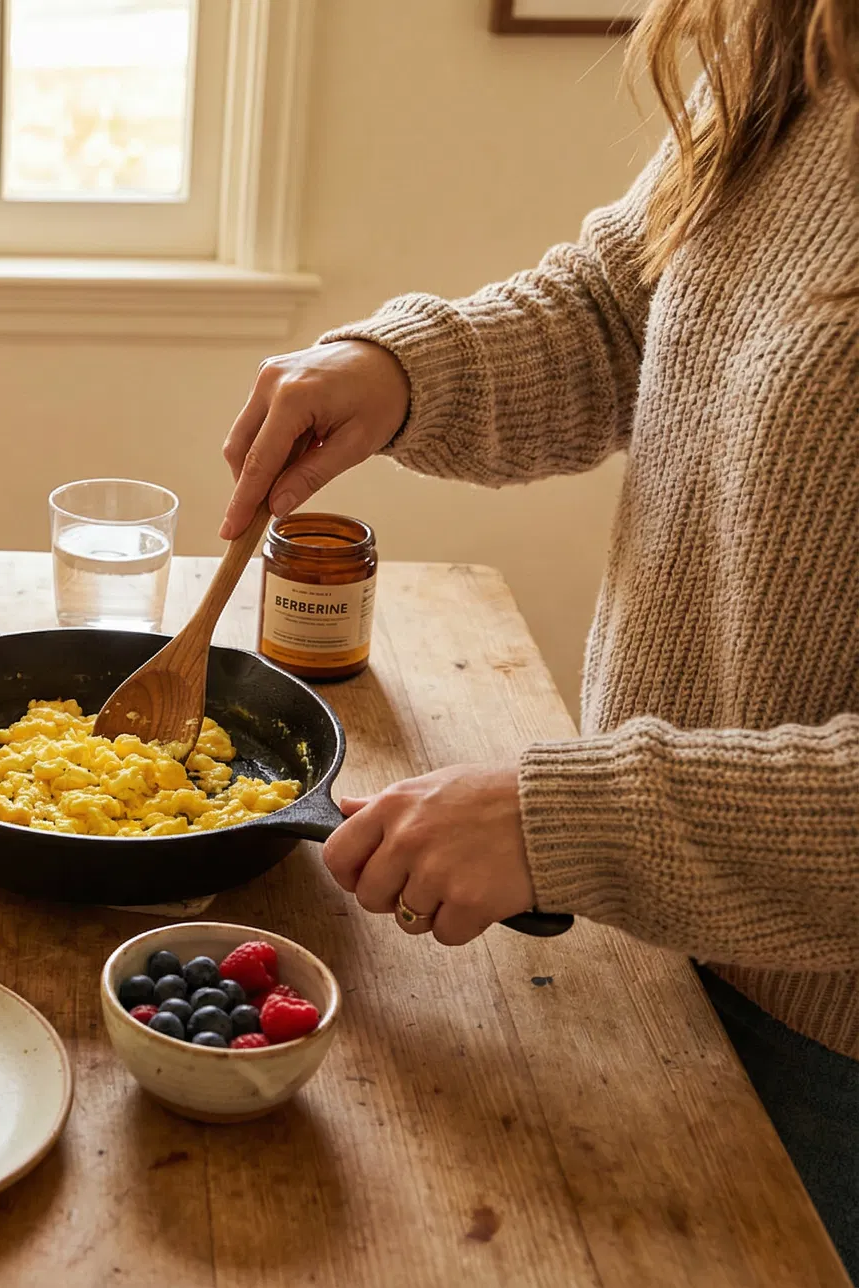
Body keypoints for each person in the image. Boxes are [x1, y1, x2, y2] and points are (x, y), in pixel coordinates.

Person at [218, 0, 859, 1266]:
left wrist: (566, 821)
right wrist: (404, 371)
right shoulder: (806, 42)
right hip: (657, 940)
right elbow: (627, 304)